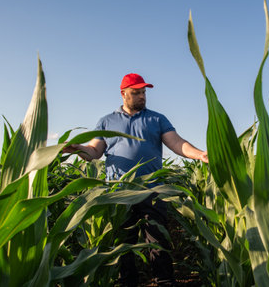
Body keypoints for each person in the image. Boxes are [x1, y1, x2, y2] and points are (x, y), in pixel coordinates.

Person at [63, 73, 208, 286]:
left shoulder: (157, 119)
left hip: (152, 190)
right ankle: (127, 282)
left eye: (144, 92)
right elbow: (94, 152)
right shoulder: (106, 121)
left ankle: (165, 281)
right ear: (123, 94)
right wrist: (78, 148)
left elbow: (177, 143)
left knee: (157, 240)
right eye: (136, 92)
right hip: (120, 193)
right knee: (122, 244)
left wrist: (200, 154)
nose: (142, 96)